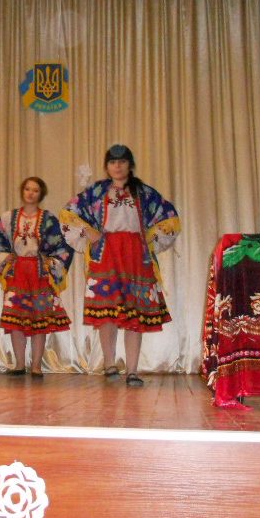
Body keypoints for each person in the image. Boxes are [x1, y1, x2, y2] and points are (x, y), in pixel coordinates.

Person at [60, 145, 180, 387]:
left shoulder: (144, 192)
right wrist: (88, 231)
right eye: (113, 162)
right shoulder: (97, 191)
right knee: (107, 312)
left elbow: (170, 219)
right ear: (107, 166)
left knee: (134, 313)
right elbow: (68, 213)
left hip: (136, 256)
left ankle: (132, 371)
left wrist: (149, 237)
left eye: (122, 161)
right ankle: (109, 364)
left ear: (130, 164)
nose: (117, 166)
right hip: (107, 253)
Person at [0, 177, 73, 376]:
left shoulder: (48, 219)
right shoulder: (8, 218)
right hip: (17, 272)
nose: (31, 193)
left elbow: (62, 245)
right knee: (16, 320)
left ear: (41, 194)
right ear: (22, 191)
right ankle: (19, 364)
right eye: (27, 189)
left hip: (39, 273)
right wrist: (4, 257)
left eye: (35, 190)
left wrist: (51, 263)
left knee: (39, 320)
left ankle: (36, 366)